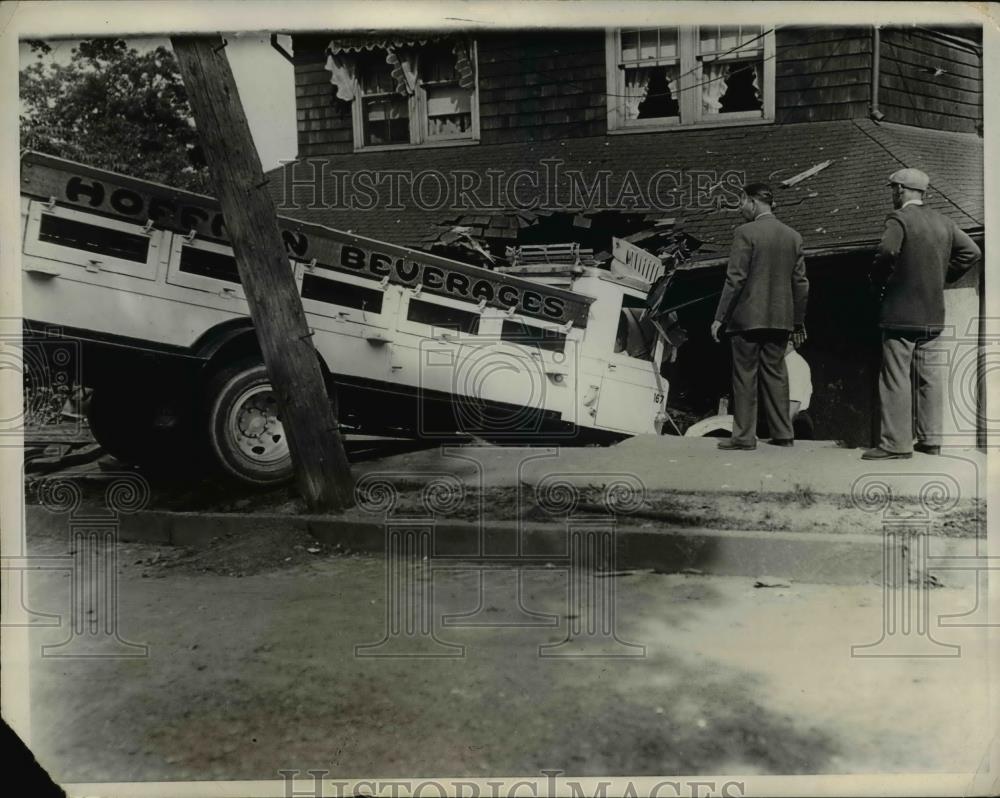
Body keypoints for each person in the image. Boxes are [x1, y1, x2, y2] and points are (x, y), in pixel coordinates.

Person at [862, 168, 981, 460]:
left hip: (900, 311)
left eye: (893, 188)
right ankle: (931, 441)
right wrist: (942, 276)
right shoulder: (944, 221)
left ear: (901, 190)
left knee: (895, 377)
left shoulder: (899, 219)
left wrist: (877, 280)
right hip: (933, 312)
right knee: (930, 376)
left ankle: (895, 444)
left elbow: (887, 253)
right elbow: (972, 252)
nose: (891, 193)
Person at [711, 183, 809, 450]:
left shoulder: (745, 233)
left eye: (742, 202)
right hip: (780, 320)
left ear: (752, 202)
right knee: (776, 374)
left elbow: (735, 279)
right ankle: (783, 434)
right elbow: (801, 284)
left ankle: (743, 437)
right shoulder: (793, 236)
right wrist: (797, 320)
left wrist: (720, 316)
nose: (740, 208)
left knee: (745, 376)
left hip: (746, 319)